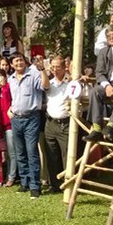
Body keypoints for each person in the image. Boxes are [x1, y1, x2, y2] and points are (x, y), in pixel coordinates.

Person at [8, 53, 49, 199]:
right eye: (15, 61)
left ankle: (35, 186)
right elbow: (13, 98)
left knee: (32, 152)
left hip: (31, 118)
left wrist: (42, 69)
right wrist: (10, 109)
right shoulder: (11, 79)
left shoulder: (33, 74)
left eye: (20, 60)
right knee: (20, 152)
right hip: (16, 119)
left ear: (24, 62)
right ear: (12, 64)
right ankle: (24, 182)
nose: (18, 63)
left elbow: (45, 86)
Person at [43, 56, 70, 193]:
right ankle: (54, 184)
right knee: (51, 154)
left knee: (67, 155)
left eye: (57, 67)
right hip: (50, 123)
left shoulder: (71, 83)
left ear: (64, 67)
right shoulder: (49, 82)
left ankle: (68, 184)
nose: (54, 69)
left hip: (65, 123)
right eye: (52, 67)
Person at [0, 69, 16, 187]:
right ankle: (9, 174)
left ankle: (11, 176)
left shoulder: (8, 88)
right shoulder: (1, 90)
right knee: (7, 152)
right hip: (3, 124)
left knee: (12, 152)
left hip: (10, 124)